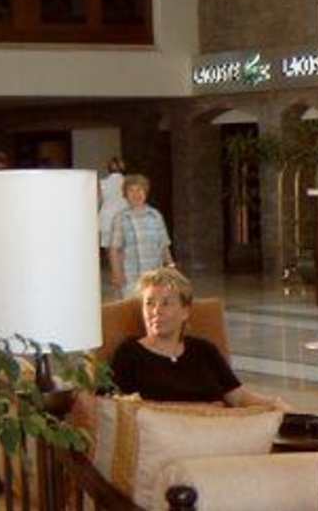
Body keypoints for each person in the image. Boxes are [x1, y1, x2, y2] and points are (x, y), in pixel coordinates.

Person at [109, 266, 287, 409]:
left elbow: (238, 397)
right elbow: (117, 405)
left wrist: (274, 404)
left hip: (216, 433)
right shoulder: (130, 353)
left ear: (185, 311)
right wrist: (200, 409)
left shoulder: (204, 351)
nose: (156, 311)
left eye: (166, 303)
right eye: (149, 303)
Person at [106, 172, 172, 297]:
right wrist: (117, 273)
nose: (136, 194)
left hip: (155, 277)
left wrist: (171, 267)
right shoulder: (120, 218)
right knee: (131, 308)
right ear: (125, 195)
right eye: (131, 190)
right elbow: (114, 250)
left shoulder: (155, 216)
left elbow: (164, 245)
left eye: (140, 190)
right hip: (130, 279)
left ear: (145, 192)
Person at [97, 156, 126, 273]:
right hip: (123, 215)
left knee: (109, 247)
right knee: (123, 246)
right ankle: (123, 271)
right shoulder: (127, 182)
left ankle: (114, 271)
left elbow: (98, 201)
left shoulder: (102, 183)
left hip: (106, 216)